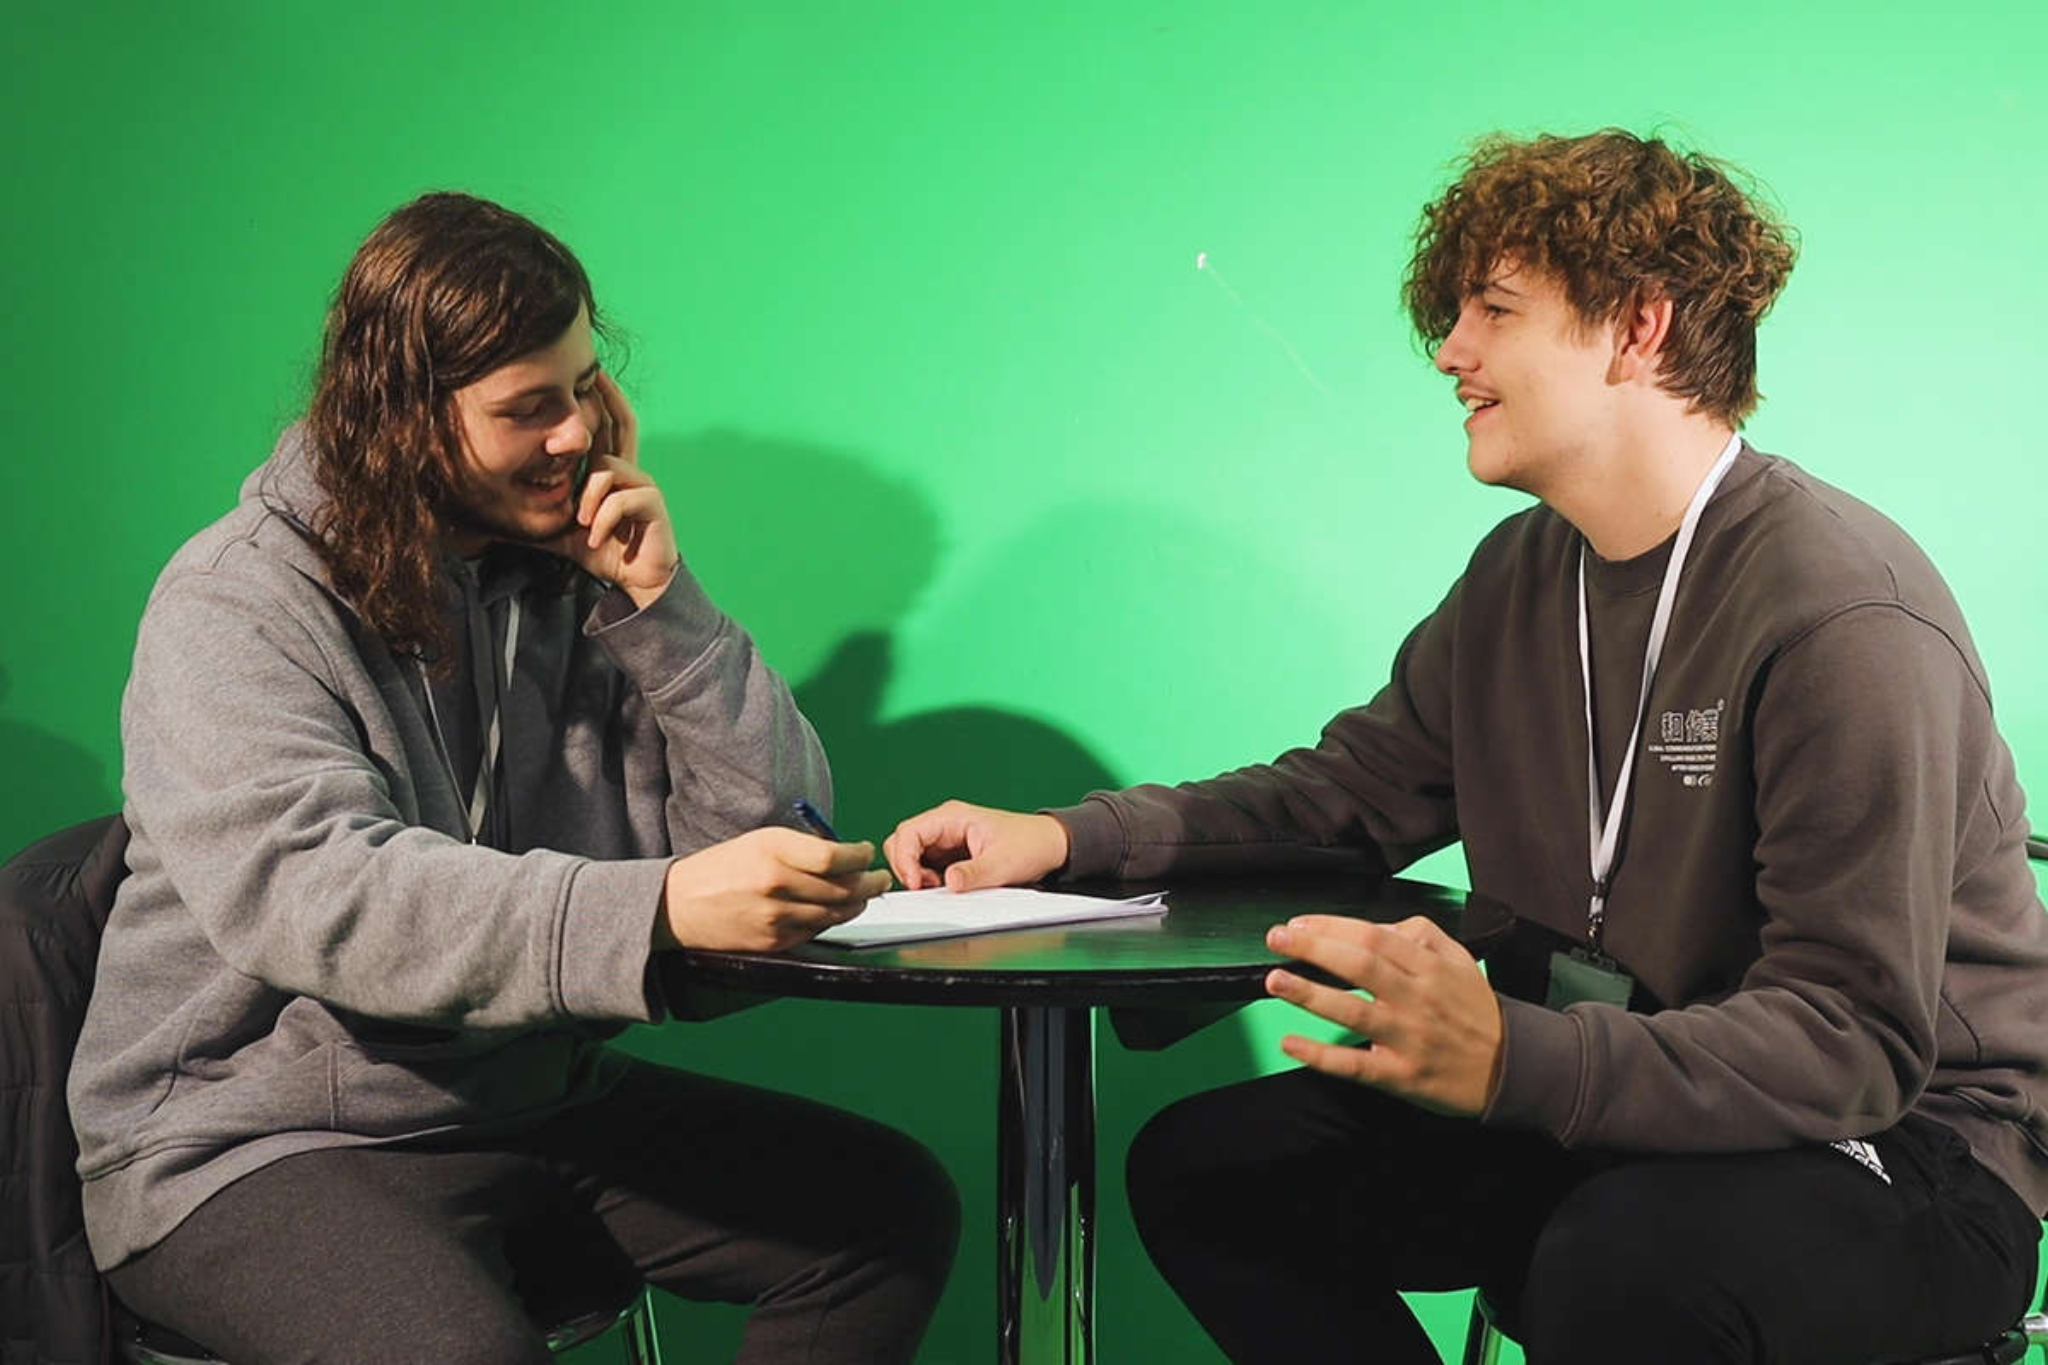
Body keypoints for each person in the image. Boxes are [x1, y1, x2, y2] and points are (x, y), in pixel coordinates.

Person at [884, 130, 2048, 1364]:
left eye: (1493, 309)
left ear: (1634, 329)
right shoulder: (1519, 575)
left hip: (1901, 1144)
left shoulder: (1838, 613)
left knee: (1619, 1264)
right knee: (1213, 1172)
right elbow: (1342, 798)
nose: (1451, 352)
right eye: (1453, 314)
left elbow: (1845, 1040)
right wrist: (1068, 837)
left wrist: (1514, 1059)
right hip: (1620, 1098)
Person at [68, 192, 958, 1365]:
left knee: (883, 1214)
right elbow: (317, 896)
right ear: (400, 420)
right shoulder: (235, 602)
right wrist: (654, 909)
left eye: (585, 387)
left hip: (520, 1099)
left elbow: (770, 828)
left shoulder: (567, 582)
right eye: (527, 409)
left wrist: (663, 607)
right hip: (247, 1138)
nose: (574, 435)